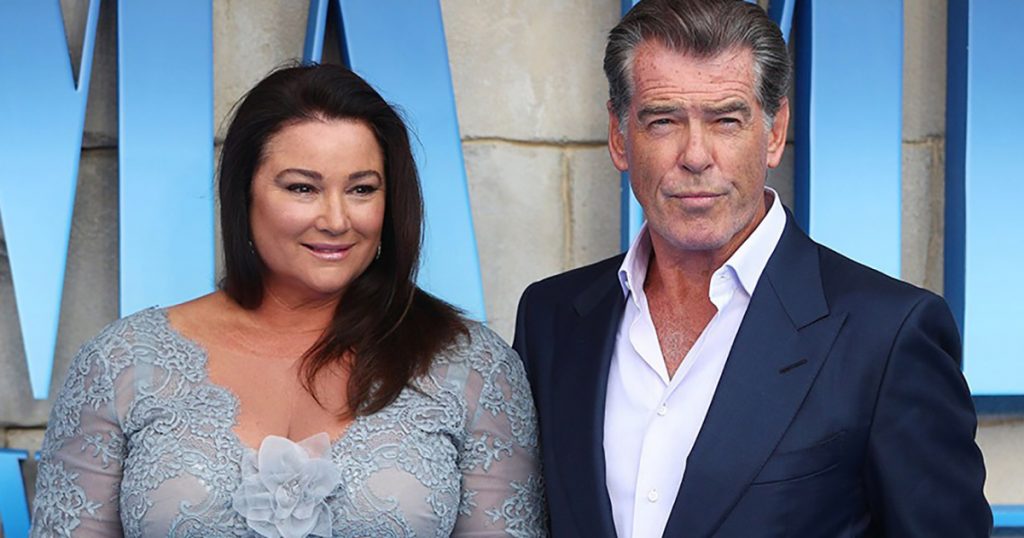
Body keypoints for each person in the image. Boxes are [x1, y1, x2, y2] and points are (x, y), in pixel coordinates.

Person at [513, 0, 990, 536]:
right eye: (664, 120)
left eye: (726, 120)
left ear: (775, 132)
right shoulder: (550, 319)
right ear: (621, 136)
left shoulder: (887, 335)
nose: (696, 155)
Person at [31, 64, 545, 537]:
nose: (336, 220)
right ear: (244, 193)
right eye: (302, 188)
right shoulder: (122, 363)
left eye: (362, 189)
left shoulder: (470, 366)